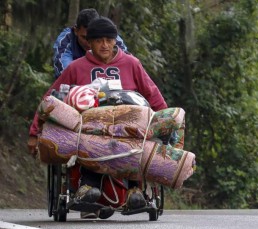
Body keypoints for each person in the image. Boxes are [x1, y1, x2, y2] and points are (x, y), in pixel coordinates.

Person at [29, 16, 168, 213]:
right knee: (89, 136)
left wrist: (167, 124)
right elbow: (50, 100)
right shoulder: (76, 67)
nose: (104, 45)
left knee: (135, 134)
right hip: (91, 127)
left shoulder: (131, 64)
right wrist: (35, 132)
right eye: (99, 41)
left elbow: (153, 94)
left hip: (128, 125)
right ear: (89, 42)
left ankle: (135, 189)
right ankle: (87, 187)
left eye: (109, 40)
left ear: (115, 41)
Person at [53, 8, 127, 79]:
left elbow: (126, 62)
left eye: (95, 38)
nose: (89, 43)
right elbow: (65, 71)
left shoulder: (111, 37)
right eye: (84, 38)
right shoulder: (66, 39)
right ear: (76, 31)